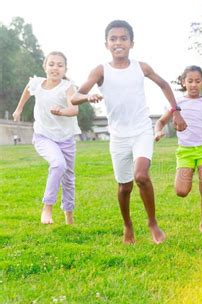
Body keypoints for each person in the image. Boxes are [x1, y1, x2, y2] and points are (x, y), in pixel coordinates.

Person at [71, 20, 187, 244]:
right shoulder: (100, 70)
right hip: (118, 136)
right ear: (106, 44)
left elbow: (164, 85)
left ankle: (152, 223)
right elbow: (75, 97)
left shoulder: (141, 67)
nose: (118, 43)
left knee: (141, 176)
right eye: (113, 39)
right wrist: (87, 97)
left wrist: (176, 111)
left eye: (123, 38)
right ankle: (127, 225)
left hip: (141, 130)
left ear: (131, 43)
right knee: (124, 186)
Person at [155, 65, 202, 232]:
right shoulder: (178, 103)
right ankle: (186, 182)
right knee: (181, 191)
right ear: (184, 83)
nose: (194, 84)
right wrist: (158, 131)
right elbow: (160, 122)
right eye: (190, 81)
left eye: (197, 81)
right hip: (185, 151)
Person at [12, 51, 81, 225]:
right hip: (43, 136)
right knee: (58, 164)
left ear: (65, 69)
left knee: (68, 179)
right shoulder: (36, 83)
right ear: (45, 67)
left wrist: (61, 111)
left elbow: (74, 110)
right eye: (51, 64)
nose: (55, 68)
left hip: (66, 139)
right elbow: (27, 91)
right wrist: (19, 109)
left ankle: (69, 216)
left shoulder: (67, 87)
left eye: (60, 65)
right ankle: (47, 207)